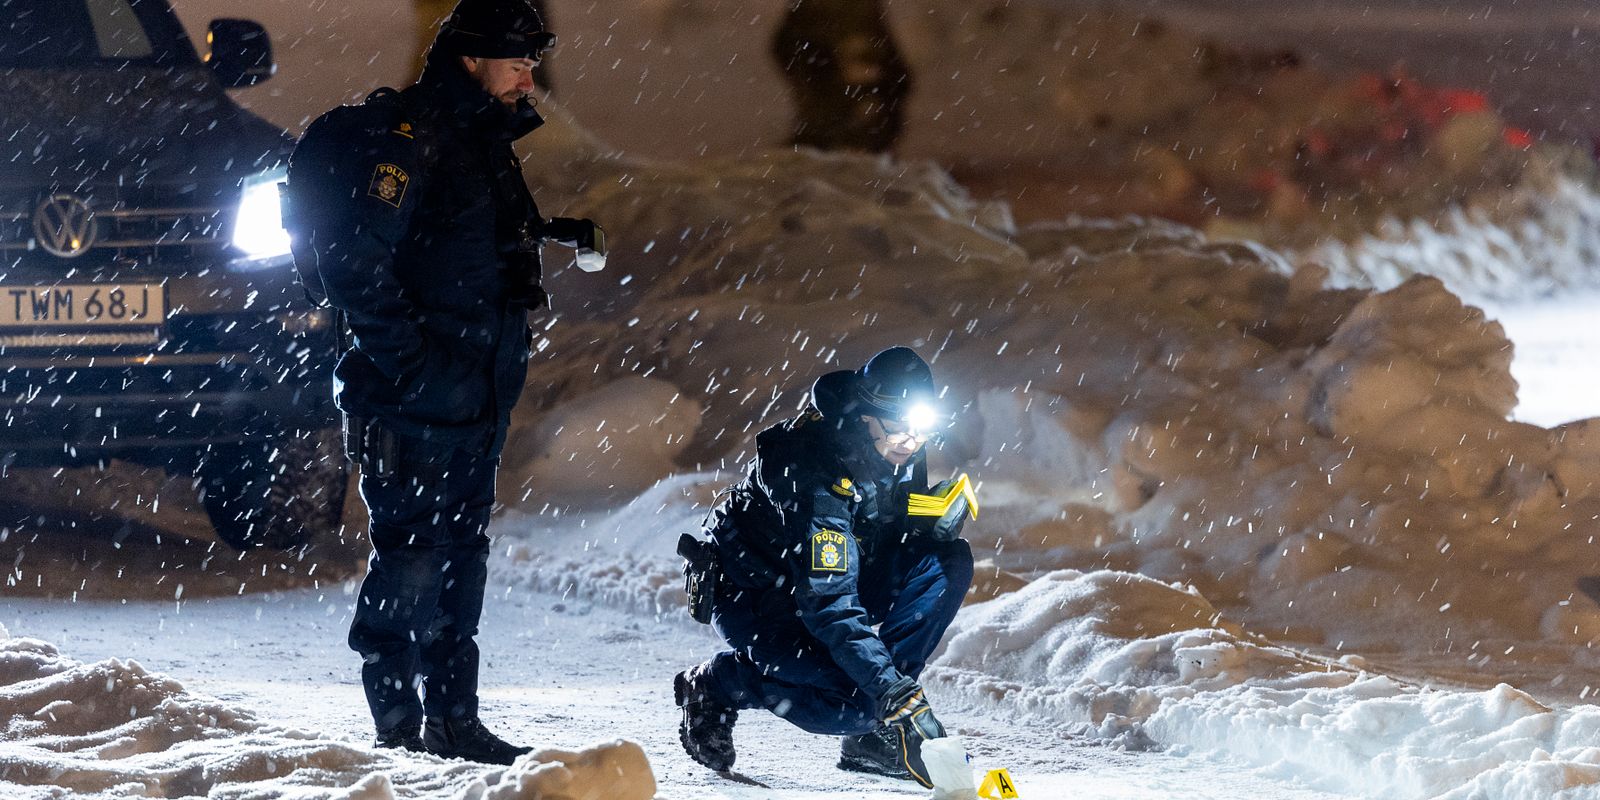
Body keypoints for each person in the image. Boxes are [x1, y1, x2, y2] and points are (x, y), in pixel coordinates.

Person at [283, 0, 604, 765]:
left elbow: (473, 234)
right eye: (518, 57)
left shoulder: (480, 137)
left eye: (534, 57)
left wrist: (559, 233)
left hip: (474, 393)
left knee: (461, 553)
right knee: (413, 556)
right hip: (416, 397)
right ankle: (398, 731)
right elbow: (355, 265)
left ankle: (455, 721)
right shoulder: (411, 141)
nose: (531, 73)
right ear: (470, 58)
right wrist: (414, 366)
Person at [674, 347, 976, 787]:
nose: (910, 442)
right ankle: (719, 684)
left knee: (948, 560)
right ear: (866, 415)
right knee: (853, 705)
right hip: (758, 596)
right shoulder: (814, 472)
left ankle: (877, 734)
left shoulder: (896, 443)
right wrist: (891, 690)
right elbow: (830, 605)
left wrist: (925, 521)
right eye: (898, 428)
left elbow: (878, 522)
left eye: (921, 430)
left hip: (825, 578)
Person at [770, 0, 913, 154]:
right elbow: (786, 46)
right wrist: (828, 65)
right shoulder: (809, 12)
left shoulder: (866, 10)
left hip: (867, 127)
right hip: (826, 119)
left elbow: (899, 74)